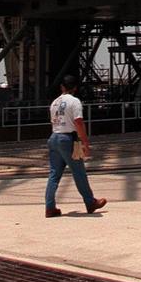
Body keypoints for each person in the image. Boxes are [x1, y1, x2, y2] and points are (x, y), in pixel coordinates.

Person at [45, 75, 106, 218]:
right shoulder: (75, 102)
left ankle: (49, 207)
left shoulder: (54, 102)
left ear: (62, 87)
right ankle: (90, 202)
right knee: (79, 172)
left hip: (54, 137)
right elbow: (78, 122)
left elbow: (53, 121)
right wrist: (85, 142)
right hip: (68, 139)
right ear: (75, 88)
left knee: (54, 174)